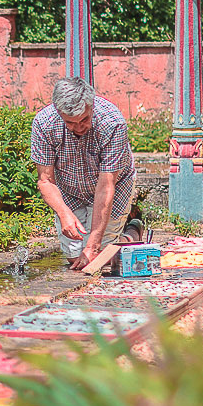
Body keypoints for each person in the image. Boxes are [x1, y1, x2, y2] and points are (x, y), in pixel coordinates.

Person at [30, 77, 140, 269]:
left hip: (112, 187)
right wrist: (63, 213)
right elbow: (45, 181)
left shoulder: (112, 122)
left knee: (100, 258)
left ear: (91, 106)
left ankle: (132, 233)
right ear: (58, 112)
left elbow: (106, 186)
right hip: (70, 189)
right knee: (75, 259)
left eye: (84, 120)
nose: (79, 127)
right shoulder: (44, 123)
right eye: (71, 123)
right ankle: (111, 240)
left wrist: (93, 246)